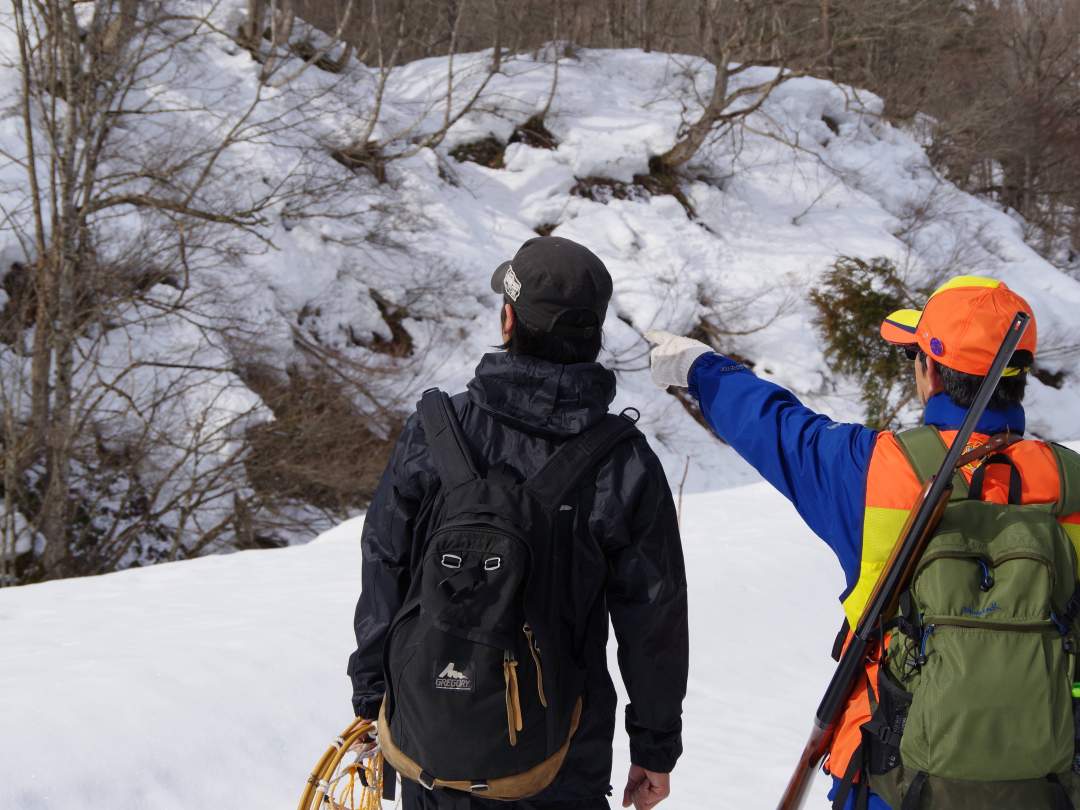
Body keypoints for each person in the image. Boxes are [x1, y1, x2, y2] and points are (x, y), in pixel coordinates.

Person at [647, 275, 1080, 809]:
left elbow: (777, 428)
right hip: (1051, 783)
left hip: (887, 780)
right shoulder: (1073, 482)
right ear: (1021, 376)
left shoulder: (875, 470)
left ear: (931, 373)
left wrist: (698, 367)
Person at [348, 236, 688, 810]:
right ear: (594, 335)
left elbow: (386, 561)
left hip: (429, 733)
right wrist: (655, 747)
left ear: (508, 319)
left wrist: (372, 696)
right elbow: (653, 617)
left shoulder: (436, 430)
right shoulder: (623, 461)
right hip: (559, 753)